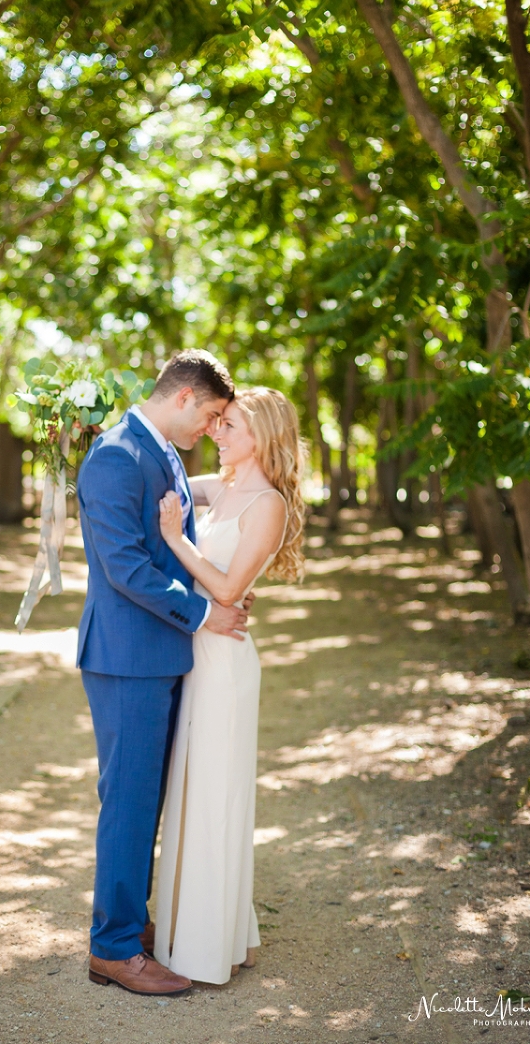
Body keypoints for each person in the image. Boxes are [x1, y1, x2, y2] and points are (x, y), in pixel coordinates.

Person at [76, 349, 250, 996]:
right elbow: (125, 568)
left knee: (147, 799)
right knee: (128, 803)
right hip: (128, 658)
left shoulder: (162, 451)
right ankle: (113, 948)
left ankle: (130, 921)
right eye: (208, 415)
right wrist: (206, 613)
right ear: (183, 398)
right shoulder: (118, 456)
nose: (210, 428)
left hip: (158, 654)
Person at [154, 387, 305, 985]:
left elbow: (225, 589)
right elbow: (165, 481)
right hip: (199, 655)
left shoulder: (266, 503)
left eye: (231, 424)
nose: (218, 430)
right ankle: (195, 930)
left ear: (263, 436)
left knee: (216, 799)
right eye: (219, 421)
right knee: (193, 794)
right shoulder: (221, 487)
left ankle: (206, 947)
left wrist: (174, 540)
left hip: (226, 661)